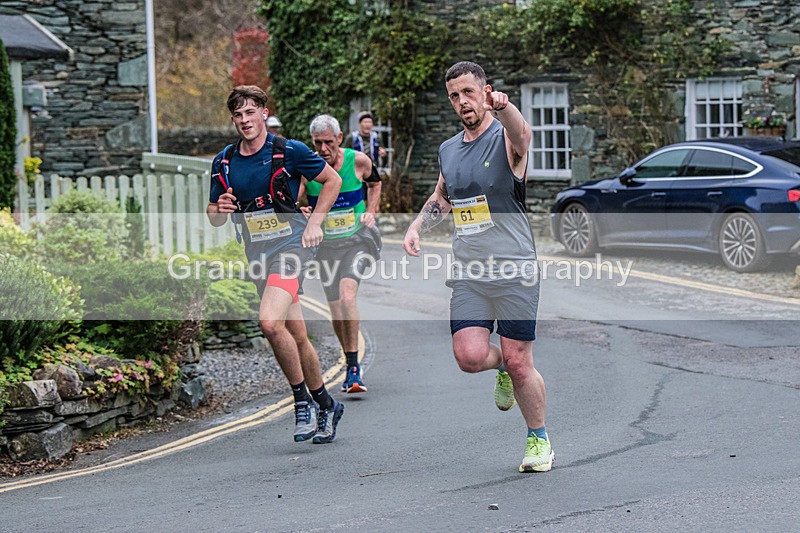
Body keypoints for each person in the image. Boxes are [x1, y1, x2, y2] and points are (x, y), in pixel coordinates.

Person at [402, 62, 553, 473]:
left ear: (485, 91)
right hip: (470, 271)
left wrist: (505, 109)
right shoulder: (449, 150)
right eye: (454, 95)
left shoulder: (505, 139)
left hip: (514, 269)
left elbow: (524, 136)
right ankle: (501, 365)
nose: (462, 101)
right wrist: (417, 225)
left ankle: (538, 439)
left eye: (469, 92)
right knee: (468, 356)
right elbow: (442, 197)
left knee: (522, 360)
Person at [206, 85, 345, 444]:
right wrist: (218, 208)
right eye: (237, 115)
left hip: (292, 246)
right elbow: (214, 217)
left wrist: (315, 221)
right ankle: (327, 404)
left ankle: (300, 401)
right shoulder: (223, 161)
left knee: (269, 323)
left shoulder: (289, 150)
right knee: (295, 335)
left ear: (264, 113)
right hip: (258, 253)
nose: (244, 121)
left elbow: (333, 180)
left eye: (250, 113)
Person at [301, 114, 382, 394]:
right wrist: (301, 211)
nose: (323, 149)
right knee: (335, 310)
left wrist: (371, 212)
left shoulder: (357, 161)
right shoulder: (306, 168)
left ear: (339, 139)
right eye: (317, 143)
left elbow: (375, 182)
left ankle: (354, 368)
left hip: (356, 241)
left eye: (328, 142)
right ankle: (351, 361)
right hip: (325, 247)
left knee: (348, 296)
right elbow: (294, 200)